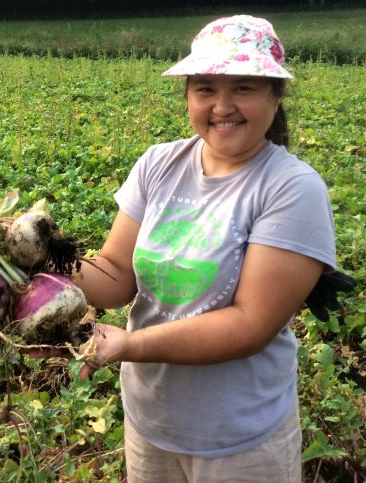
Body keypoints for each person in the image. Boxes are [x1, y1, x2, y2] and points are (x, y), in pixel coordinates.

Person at [36, 15, 338, 482]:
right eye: (205, 89)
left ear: (276, 96)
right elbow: (115, 275)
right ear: (188, 97)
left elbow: (249, 325)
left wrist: (130, 345)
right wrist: (39, 259)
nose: (222, 106)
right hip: (150, 419)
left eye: (244, 88)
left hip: (240, 438)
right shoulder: (160, 163)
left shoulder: (292, 188)